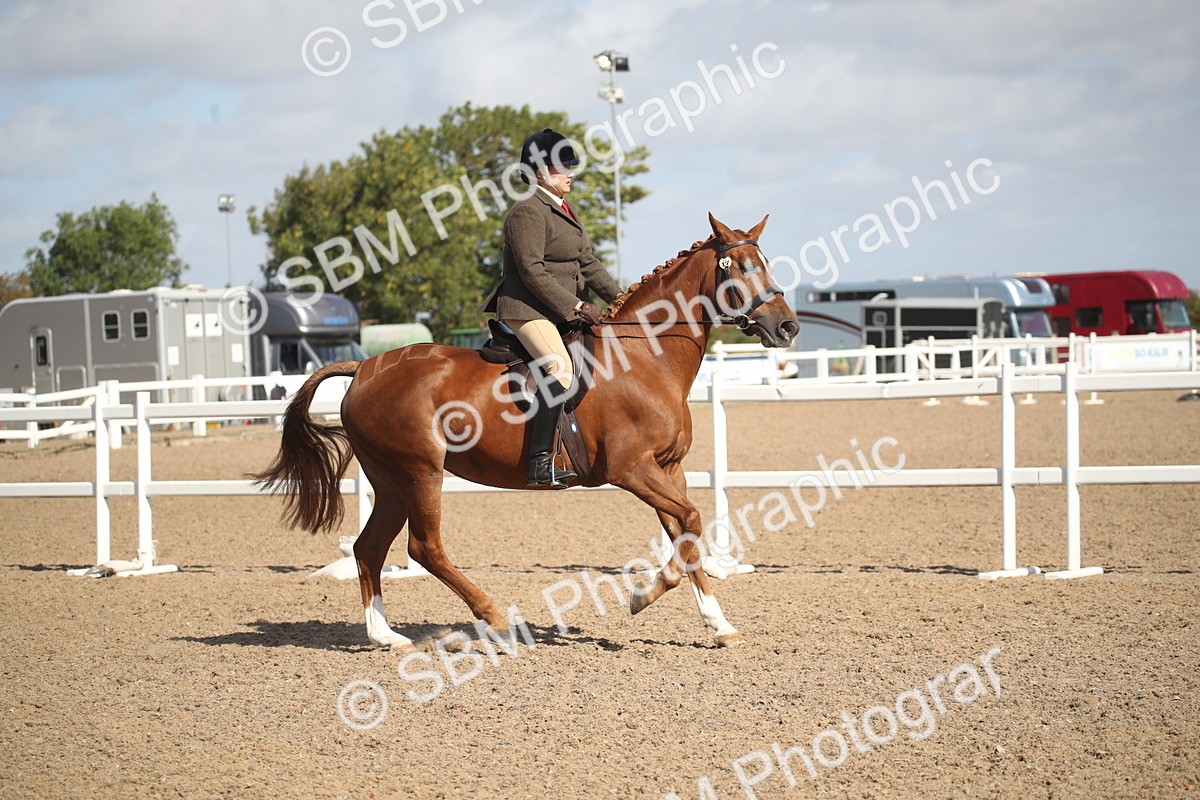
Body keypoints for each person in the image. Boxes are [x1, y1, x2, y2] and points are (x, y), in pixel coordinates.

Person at [478, 129, 623, 488]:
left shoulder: (565, 210)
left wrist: (622, 301)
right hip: (526, 308)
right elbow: (531, 270)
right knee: (559, 369)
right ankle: (540, 461)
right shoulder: (526, 211)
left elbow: (587, 263)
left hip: (558, 309)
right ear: (540, 172)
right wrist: (575, 304)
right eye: (563, 168)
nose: (571, 173)